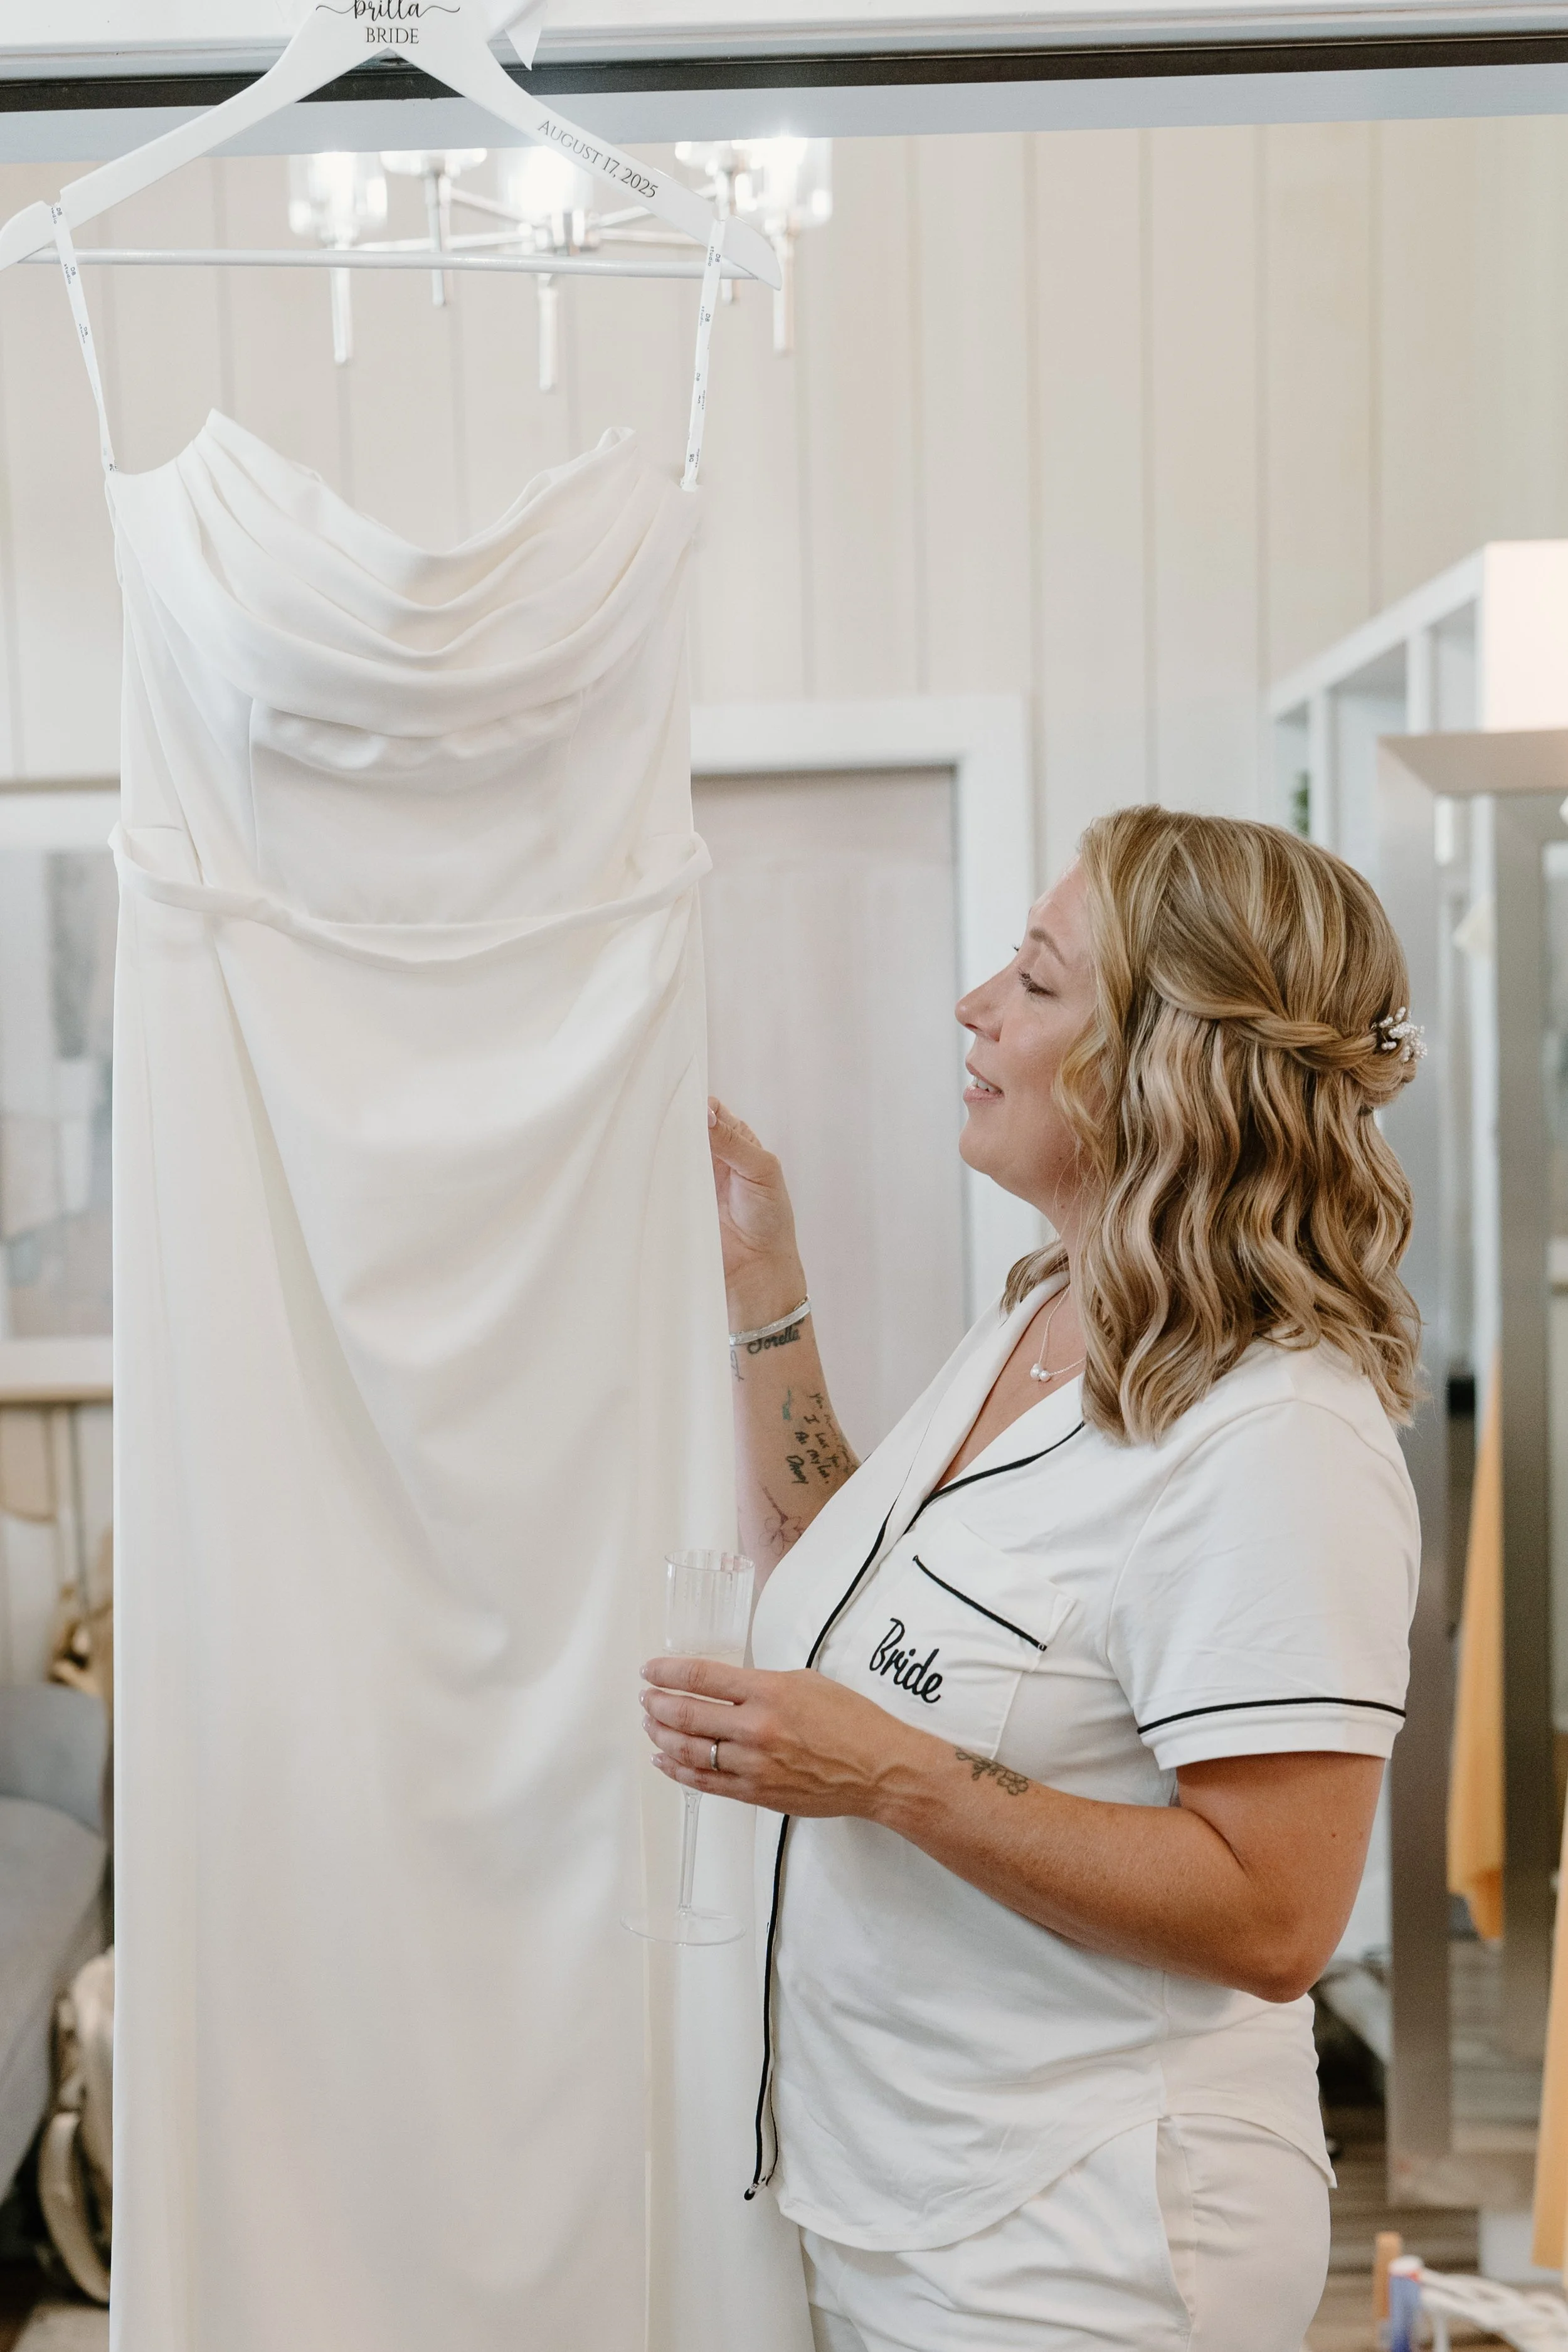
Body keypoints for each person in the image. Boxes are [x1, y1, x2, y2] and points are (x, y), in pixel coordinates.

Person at [642, 805, 1422, 2352]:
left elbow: (1275, 1913)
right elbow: (855, 1596)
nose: (973, 1005)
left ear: (1164, 1064)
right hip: (890, 2198)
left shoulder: (1275, 1435)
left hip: (1084, 2252)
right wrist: (762, 1290)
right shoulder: (1047, 1316)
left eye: (1037, 981)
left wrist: (891, 1777)